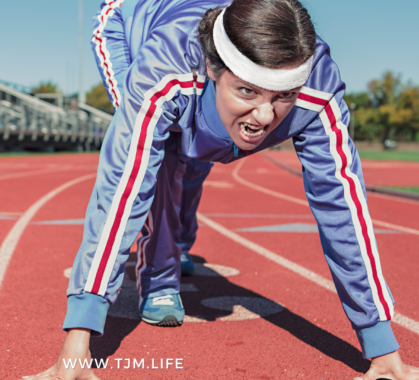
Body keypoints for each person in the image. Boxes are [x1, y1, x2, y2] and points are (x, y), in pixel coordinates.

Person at [24, 0, 419, 379]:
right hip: (128, 25)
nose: (265, 116)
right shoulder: (165, 69)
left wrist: (382, 346)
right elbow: (123, 188)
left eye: (283, 96)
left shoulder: (318, 88)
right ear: (214, 68)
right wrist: (80, 334)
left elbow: (343, 208)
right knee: (160, 159)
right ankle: (160, 277)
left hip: (205, 69)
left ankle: (180, 240)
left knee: (197, 157)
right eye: (248, 91)